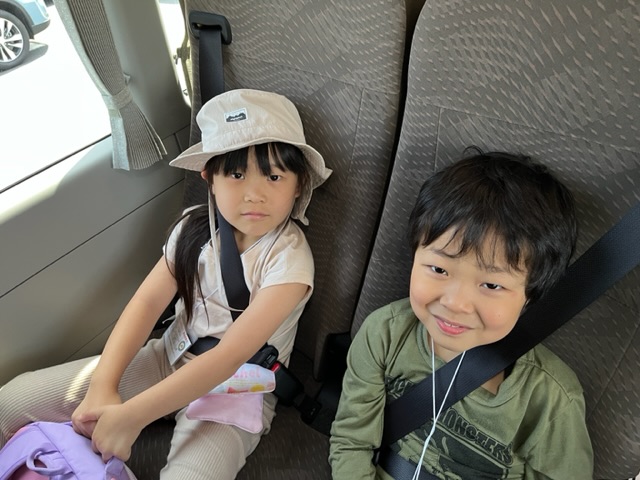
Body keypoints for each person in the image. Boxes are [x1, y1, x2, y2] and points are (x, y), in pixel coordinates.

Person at [0, 88, 331, 479]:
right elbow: (145, 304)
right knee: (11, 401)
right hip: (168, 358)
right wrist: (104, 384)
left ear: (298, 185)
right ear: (210, 178)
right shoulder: (193, 228)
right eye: (236, 174)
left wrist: (132, 416)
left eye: (274, 176)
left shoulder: (289, 258)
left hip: (236, 388)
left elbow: (229, 357)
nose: (254, 194)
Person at [329, 149, 593, 479]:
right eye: (439, 269)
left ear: (531, 295)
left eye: (492, 285)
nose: (455, 303)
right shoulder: (384, 334)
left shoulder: (550, 397)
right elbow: (352, 441)